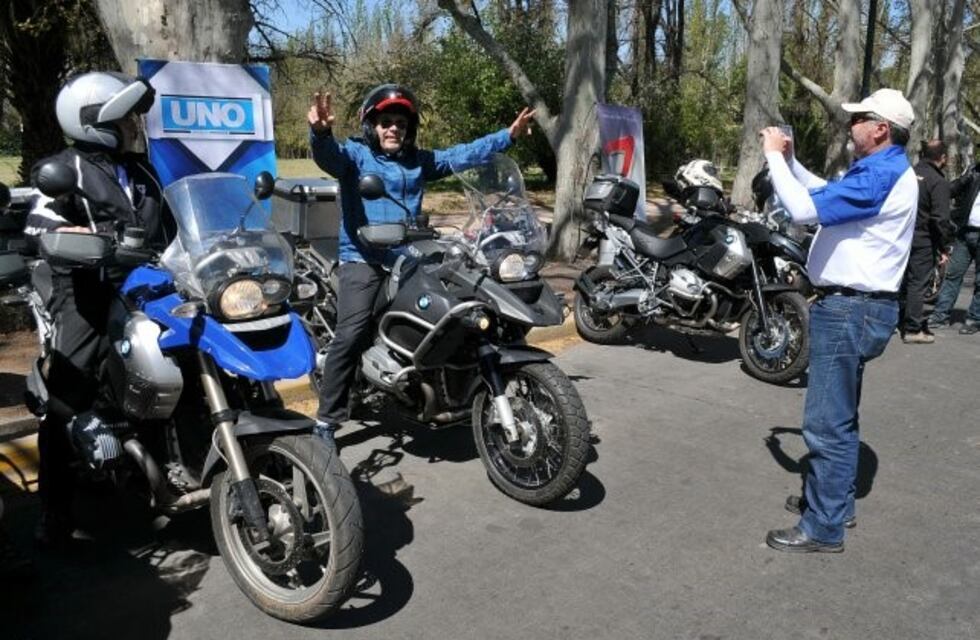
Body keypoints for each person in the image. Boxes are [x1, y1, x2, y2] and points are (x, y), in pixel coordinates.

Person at [307, 84, 535, 437]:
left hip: (409, 253)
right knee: (350, 335)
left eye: (400, 122)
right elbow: (329, 157)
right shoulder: (355, 155)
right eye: (385, 121)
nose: (393, 128)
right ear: (372, 126)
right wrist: (321, 133)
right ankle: (327, 420)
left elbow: (463, 155)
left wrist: (507, 136)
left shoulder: (418, 161)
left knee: (455, 300)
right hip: (363, 258)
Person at [758, 88, 918, 553]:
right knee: (841, 418)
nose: (851, 126)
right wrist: (790, 164)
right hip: (858, 307)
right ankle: (833, 503)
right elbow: (822, 194)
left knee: (826, 424)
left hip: (849, 308)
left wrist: (771, 158)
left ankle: (823, 526)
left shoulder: (882, 175)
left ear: (881, 128)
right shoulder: (881, 171)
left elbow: (804, 209)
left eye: (858, 119)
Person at [25, 71, 170, 547]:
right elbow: (40, 227)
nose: (134, 123)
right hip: (86, 295)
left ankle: (159, 476)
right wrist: (81, 242)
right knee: (68, 394)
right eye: (125, 115)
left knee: (166, 375)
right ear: (94, 121)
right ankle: (55, 513)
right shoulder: (63, 170)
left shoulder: (144, 171)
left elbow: (175, 227)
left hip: (146, 290)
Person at [901, 139, 952, 343]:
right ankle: (912, 329)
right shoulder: (938, 181)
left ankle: (895, 321)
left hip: (900, 236)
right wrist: (944, 246)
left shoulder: (908, 173)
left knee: (900, 281)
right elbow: (941, 219)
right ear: (943, 158)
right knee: (917, 284)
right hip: (923, 239)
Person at [926, 160, 980, 335]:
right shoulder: (974, 171)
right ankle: (940, 314)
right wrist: (965, 178)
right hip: (965, 232)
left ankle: (974, 319)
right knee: (952, 274)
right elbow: (949, 191)